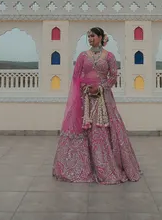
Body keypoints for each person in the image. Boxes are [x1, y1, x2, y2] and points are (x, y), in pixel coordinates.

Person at [52, 27, 141, 184]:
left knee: (103, 128)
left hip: (103, 98)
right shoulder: (82, 56)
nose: (90, 38)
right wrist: (84, 88)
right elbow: (76, 77)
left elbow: (113, 77)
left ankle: (107, 165)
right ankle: (83, 167)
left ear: (101, 37)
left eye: (93, 36)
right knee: (84, 128)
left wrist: (100, 87)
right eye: (89, 36)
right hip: (85, 97)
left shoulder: (110, 57)